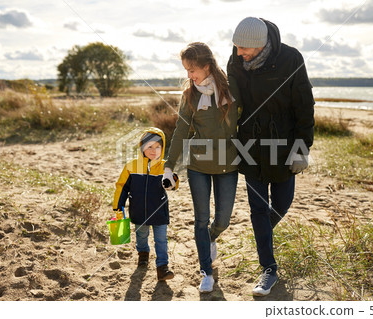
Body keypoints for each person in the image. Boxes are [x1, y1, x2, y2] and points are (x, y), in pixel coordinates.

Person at [227, 17, 315, 296]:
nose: (239, 53)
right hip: (249, 146)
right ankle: (269, 269)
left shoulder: (290, 59)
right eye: (236, 47)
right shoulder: (236, 62)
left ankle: (261, 233)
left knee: (282, 203)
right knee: (258, 210)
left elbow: (304, 105)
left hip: (283, 145)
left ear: (260, 44)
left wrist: (303, 148)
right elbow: (232, 104)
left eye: (243, 48)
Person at [162, 42, 240, 293]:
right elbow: (181, 131)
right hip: (197, 166)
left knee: (224, 219)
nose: (189, 76)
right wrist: (168, 165)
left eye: (192, 70)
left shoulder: (231, 89)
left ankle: (211, 239)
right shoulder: (190, 95)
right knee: (200, 219)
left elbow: (248, 121)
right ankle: (206, 271)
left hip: (228, 164)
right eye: (186, 70)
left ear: (207, 66)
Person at [113, 127, 178, 281]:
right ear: (142, 147)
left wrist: (172, 181)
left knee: (161, 239)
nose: (153, 150)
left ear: (162, 149)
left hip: (159, 211)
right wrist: (118, 206)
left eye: (157, 147)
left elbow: (173, 184)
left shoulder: (164, 167)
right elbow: (122, 186)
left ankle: (162, 267)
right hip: (139, 211)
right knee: (141, 235)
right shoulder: (131, 167)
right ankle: (143, 254)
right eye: (149, 146)